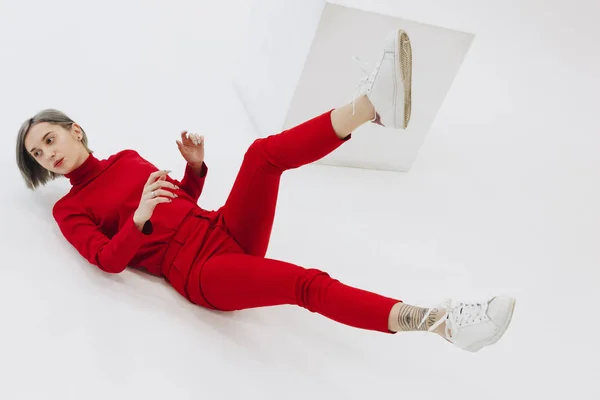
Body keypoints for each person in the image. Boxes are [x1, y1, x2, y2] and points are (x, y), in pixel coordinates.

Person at [15, 29, 514, 353]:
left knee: (261, 155)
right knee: (306, 284)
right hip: (201, 272)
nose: (48, 154)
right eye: (38, 155)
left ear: (75, 130)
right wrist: (139, 218)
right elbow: (107, 259)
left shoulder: (125, 159)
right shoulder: (69, 209)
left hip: (219, 228)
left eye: (50, 140)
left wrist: (193, 171)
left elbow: (181, 205)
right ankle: (444, 323)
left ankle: (372, 105)